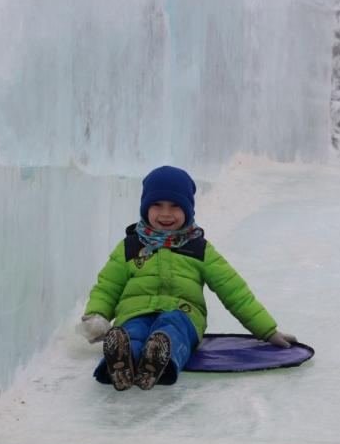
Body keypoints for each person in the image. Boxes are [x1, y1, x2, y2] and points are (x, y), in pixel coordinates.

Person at [77, 165, 297, 391]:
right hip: (135, 312)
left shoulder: (199, 249)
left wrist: (267, 331)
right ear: (145, 207)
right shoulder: (130, 247)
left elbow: (235, 292)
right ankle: (119, 363)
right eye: (157, 205)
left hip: (184, 314)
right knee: (132, 332)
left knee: (172, 329)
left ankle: (159, 361)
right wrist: (97, 316)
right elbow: (108, 287)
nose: (165, 213)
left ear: (188, 209)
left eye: (175, 206)